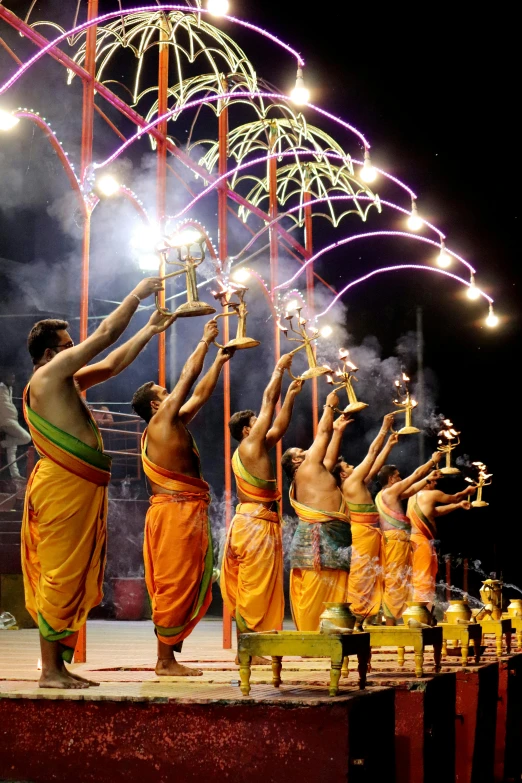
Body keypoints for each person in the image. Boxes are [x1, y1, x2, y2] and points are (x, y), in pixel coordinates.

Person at [22, 277, 172, 689]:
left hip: (78, 487)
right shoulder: (48, 378)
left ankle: (59, 667)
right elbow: (105, 336)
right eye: (69, 345)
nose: (75, 349)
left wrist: (149, 329)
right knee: (59, 574)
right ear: (50, 353)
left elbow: (110, 365)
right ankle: (50, 671)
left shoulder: (65, 380)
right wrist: (138, 295)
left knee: (70, 576)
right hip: (61, 487)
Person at [132, 319, 233, 676]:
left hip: (185, 512)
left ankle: (169, 655)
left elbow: (200, 394)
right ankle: (164, 661)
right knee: (175, 582)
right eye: (165, 393)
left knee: (185, 581)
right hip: (174, 513)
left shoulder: (174, 424)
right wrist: (205, 342)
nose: (171, 393)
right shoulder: (160, 425)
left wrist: (220, 362)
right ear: (156, 405)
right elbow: (188, 379)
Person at [220, 353, 302, 660]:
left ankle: (252, 646)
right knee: (253, 588)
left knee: (259, 586)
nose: (262, 426)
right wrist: (279, 369)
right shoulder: (249, 445)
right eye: (256, 423)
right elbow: (269, 401)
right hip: (254, 525)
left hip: (257, 522)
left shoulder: (256, 447)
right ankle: (248, 649)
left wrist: (292, 395)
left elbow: (279, 428)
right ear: (245, 430)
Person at [282, 391, 352, 632]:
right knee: (316, 590)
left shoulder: (316, 469)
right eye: (300, 454)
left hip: (333, 537)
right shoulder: (305, 470)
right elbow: (322, 433)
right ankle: (312, 636)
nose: (307, 453)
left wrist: (339, 431)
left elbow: (329, 458)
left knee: (335, 588)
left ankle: (329, 631)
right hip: (317, 542)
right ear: (296, 464)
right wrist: (328, 406)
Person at [333, 414, 398, 626]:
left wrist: (388, 444)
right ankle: (355, 618)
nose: (352, 468)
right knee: (362, 578)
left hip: (368, 534)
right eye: (348, 467)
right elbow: (371, 454)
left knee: (369, 577)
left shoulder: (356, 482)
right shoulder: (351, 483)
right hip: (363, 533)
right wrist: (384, 428)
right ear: (343, 475)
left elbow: (375, 465)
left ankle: (366, 618)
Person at [375, 452, 443, 625]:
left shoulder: (388, 495)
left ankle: (405, 620)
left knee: (402, 582)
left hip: (399, 543)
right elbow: (414, 477)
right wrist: (431, 462)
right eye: (398, 477)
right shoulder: (390, 492)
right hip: (396, 543)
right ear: (391, 479)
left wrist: (428, 480)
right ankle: (389, 626)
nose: (400, 479)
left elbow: (412, 488)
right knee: (394, 583)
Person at [407, 476, 475, 611]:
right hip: (421, 541)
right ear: (425, 482)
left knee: (426, 576)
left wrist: (458, 505)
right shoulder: (432, 494)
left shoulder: (413, 497)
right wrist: (467, 492)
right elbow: (454, 497)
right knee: (424, 578)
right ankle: (420, 612)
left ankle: (425, 611)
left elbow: (435, 512)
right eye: (433, 480)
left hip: (418, 540)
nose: (436, 483)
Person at [0, 370, 31, 480]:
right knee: (26, 438)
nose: (12, 381)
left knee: (12, 449)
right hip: (6, 422)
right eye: (10, 378)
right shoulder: (1, 388)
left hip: (12, 420)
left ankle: (15, 475)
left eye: (13, 379)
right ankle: (2, 444)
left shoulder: (10, 389)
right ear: (4, 378)